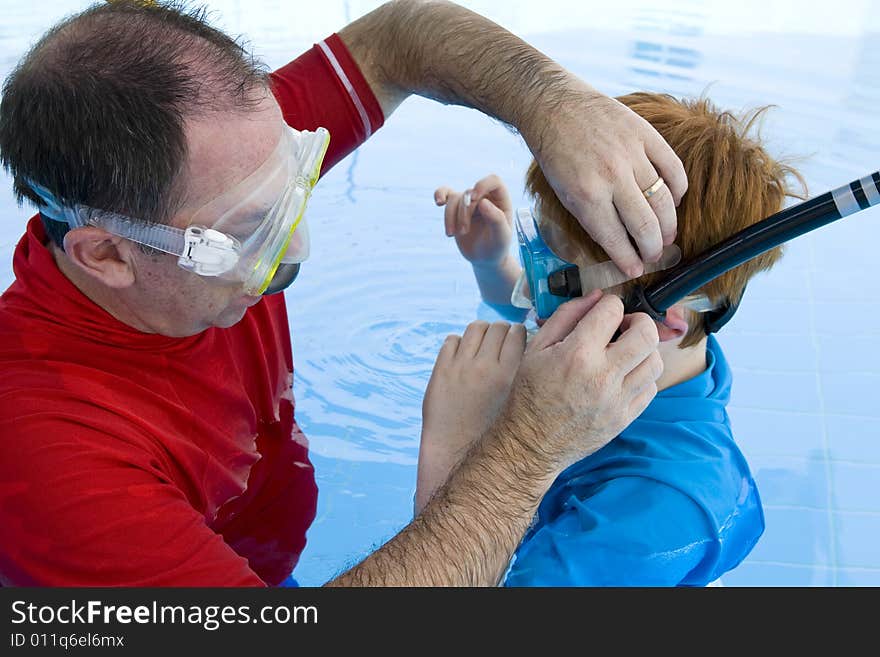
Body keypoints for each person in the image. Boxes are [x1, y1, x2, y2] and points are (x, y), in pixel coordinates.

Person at [0, 1, 673, 586]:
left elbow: (399, 37)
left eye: (295, 174)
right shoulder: (45, 455)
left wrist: (551, 105)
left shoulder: (225, 157)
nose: (296, 248)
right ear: (108, 254)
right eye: (253, 229)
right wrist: (524, 450)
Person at [422, 91, 807, 585]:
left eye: (557, 275)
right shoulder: (674, 353)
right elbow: (560, 314)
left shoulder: (649, 518)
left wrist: (450, 456)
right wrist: (492, 265)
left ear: (661, 319)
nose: (538, 286)